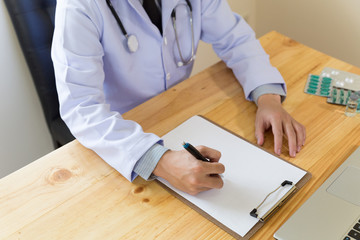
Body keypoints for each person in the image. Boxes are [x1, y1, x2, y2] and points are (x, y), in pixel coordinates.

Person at [51, 0, 306, 195]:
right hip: (121, 138)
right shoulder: (78, 6)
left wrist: (267, 96)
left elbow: (234, 38)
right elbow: (81, 106)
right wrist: (157, 160)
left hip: (181, 115)